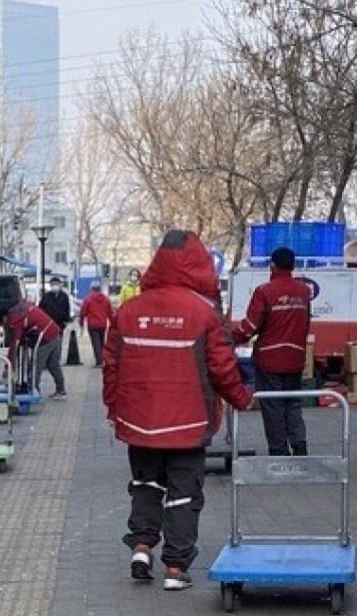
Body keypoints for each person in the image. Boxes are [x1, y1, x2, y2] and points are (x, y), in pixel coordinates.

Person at [103, 230, 253, 591]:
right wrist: (242, 399)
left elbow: (112, 366)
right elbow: (222, 367)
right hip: (189, 422)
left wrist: (115, 409)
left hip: (139, 421)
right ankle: (175, 567)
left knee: (145, 484)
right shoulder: (203, 313)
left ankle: (141, 546)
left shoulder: (128, 310)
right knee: (184, 493)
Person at [232, 246, 312, 456]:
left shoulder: (265, 291)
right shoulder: (304, 292)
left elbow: (250, 326)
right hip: (295, 358)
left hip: (269, 359)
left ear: (273, 265)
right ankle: (300, 444)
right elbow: (305, 325)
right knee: (293, 403)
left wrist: (231, 339)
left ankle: (279, 451)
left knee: (273, 406)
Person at [0, 299, 66, 399]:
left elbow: (15, 343)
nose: (4, 326)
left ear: (4, 318)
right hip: (54, 332)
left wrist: (9, 366)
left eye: (2, 324)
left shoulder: (15, 319)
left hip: (45, 337)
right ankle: (61, 390)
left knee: (35, 366)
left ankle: (33, 391)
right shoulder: (20, 309)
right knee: (53, 364)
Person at [39, 276, 80, 366]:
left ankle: (56, 359)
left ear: (60, 285)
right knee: (48, 341)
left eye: (56, 284)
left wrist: (66, 320)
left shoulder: (64, 296)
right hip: (48, 324)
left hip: (59, 324)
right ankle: (48, 360)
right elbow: (40, 309)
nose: (54, 286)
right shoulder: (46, 296)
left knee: (58, 342)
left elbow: (67, 309)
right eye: (53, 284)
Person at [79, 281, 113, 367]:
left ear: (91, 289)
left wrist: (81, 323)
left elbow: (83, 312)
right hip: (103, 324)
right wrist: (113, 323)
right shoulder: (106, 299)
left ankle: (99, 362)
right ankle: (103, 359)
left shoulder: (88, 299)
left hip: (92, 325)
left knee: (96, 343)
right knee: (102, 343)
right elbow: (110, 312)